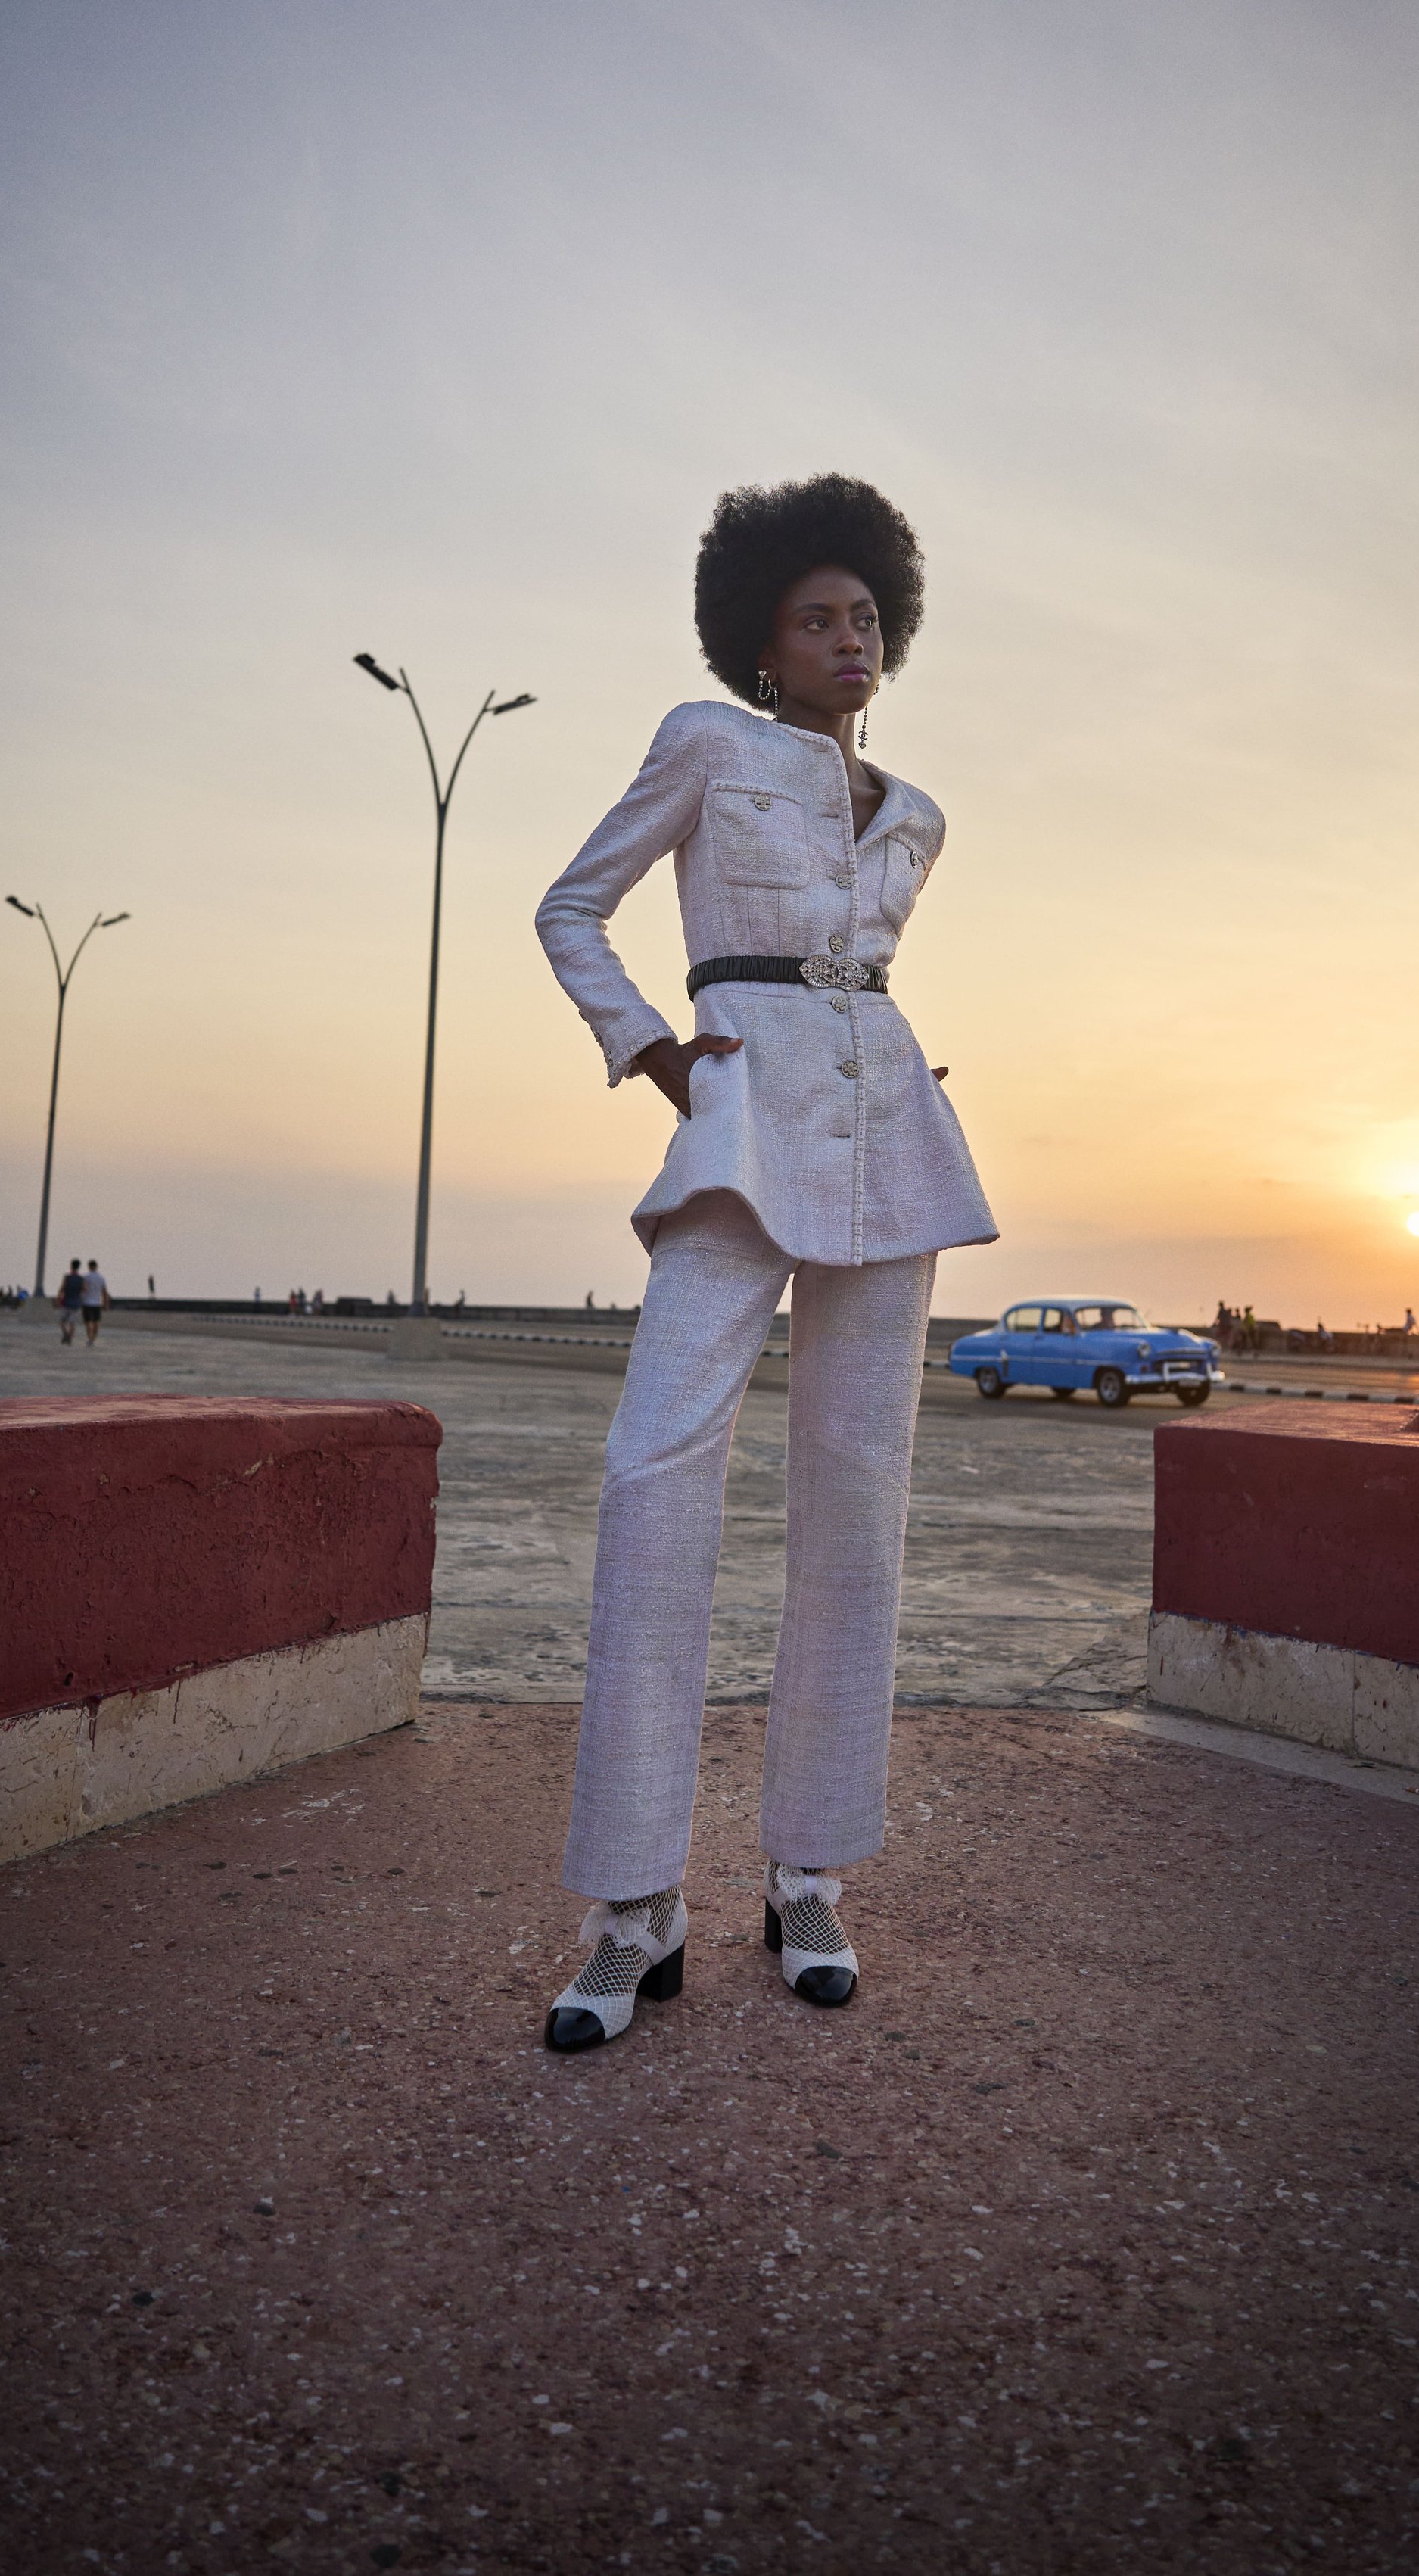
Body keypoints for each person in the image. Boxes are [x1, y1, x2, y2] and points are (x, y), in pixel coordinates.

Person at [534, 472, 996, 2054]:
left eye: (864, 615)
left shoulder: (917, 813)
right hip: (736, 1132)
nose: (847, 636)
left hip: (889, 1141)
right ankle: (631, 1907)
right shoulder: (703, 743)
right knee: (651, 1468)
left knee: (856, 1502)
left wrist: (881, 1067)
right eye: (814, 618)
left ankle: (806, 1875)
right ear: (760, 641)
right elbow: (571, 908)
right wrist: (654, 1053)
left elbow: (858, 973)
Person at [79, 1260, 110, 1344]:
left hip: (87, 1302)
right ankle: (93, 1338)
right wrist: (106, 1303)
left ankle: (90, 1338)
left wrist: (81, 1298)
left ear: (89, 1267)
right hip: (97, 1303)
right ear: (96, 1267)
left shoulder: (85, 1277)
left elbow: (82, 1290)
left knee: (88, 1322)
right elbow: (104, 1292)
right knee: (96, 1322)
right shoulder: (101, 1278)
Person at [56, 1259, 85, 1344]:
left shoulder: (67, 1277)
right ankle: (70, 1338)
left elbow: (62, 1289)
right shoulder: (81, 1279)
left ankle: (66, 1335)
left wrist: (58, 1299)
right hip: (76, 1303)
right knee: (72, 1323)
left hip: (66, 1302)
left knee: (61, 1321)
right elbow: (84, 1289)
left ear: (71, 1266)